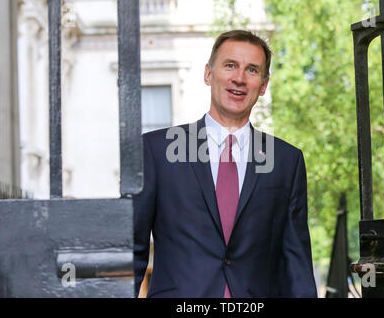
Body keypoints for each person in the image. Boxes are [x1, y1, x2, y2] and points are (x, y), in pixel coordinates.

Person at [133, 30, 317, 298]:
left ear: (263, 85)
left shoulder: (286, 161)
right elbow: (132, 252)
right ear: (209, 74)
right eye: (230, 65)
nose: (239, 78)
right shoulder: (156, 151)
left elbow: (296, 263)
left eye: (252, 70)